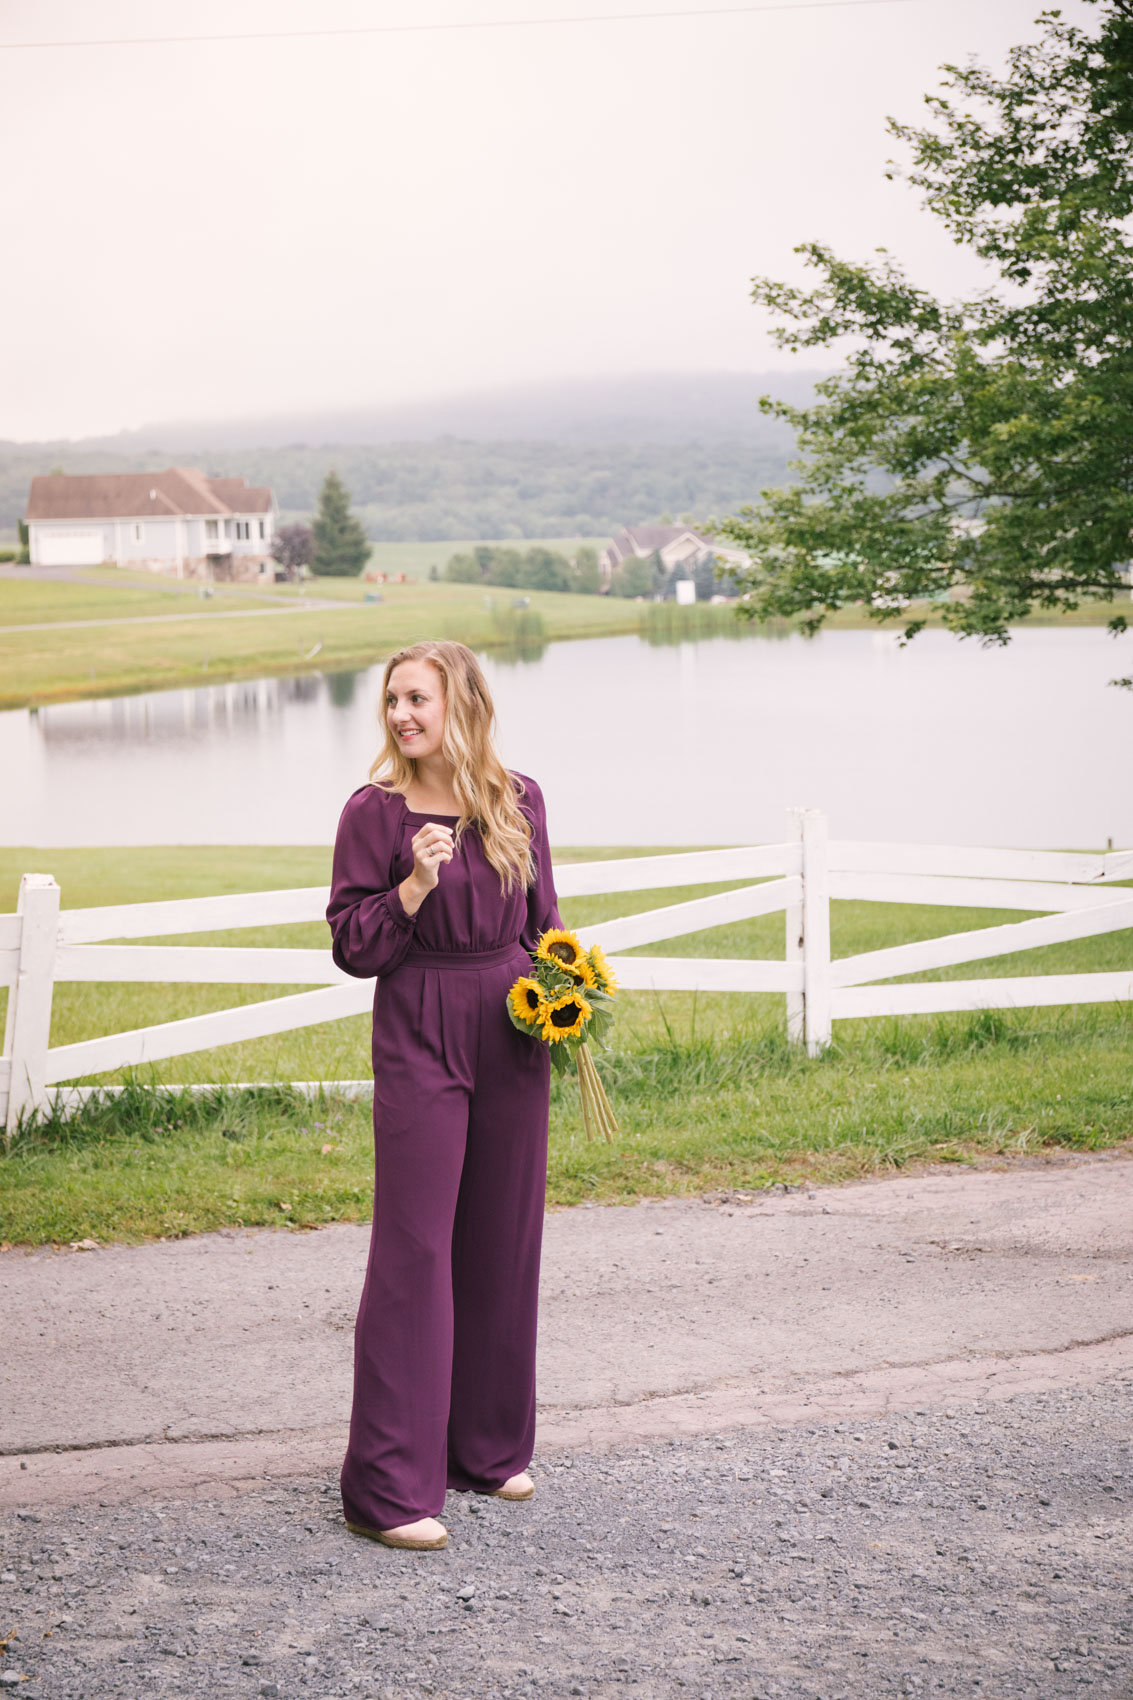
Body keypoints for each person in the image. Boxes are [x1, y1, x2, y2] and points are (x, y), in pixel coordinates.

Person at [325, 639, 562, 1551]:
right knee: (416, 1249)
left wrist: (565, 996)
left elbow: (545, 922)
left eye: (416, 699)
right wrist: (414, 885)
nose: (400, 716)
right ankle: (388, 1489)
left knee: (503, 1236)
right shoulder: (373, 812)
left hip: (511, 1024)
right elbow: (354, 947)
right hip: (419, 1020)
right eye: (391, 701)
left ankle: (485, 1448)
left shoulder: (519, 798)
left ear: (461, 702)